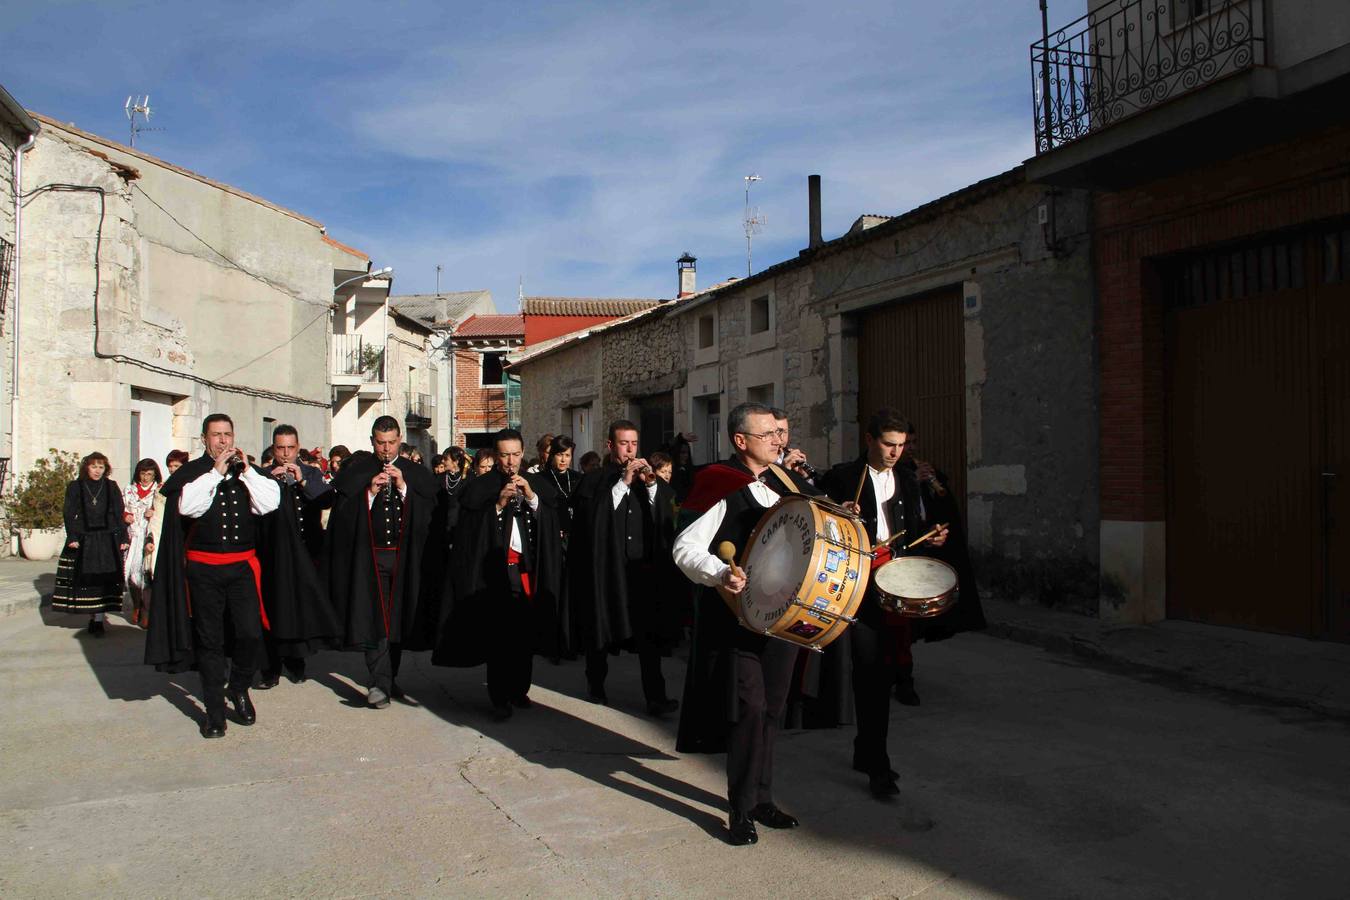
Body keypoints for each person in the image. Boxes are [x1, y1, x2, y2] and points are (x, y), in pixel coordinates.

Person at [672, 402, 815, 845]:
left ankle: (762, 798)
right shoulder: (720, 483)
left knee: (773, 708)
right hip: (736, 620)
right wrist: (720, 573)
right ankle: (740, 808)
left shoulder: (786, 484)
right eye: (768, 433)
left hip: (783, 619)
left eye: (779, 432)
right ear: (741, 441)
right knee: (750, 710)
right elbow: (684, 547)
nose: (779, 439)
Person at [818, 408, 948, 798]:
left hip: (896, 583)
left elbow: (918, 525)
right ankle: (877, 761)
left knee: (883, 670)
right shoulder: (842, 477)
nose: (896, 452)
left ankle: (869, 750)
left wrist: (934, 535)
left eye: (902, 445)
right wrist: (840, 516)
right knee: (867, 669)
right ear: (870, 440)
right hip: (856, 582)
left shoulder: (908, 478)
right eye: (889, 444)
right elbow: (818, 525)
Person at [144, 415, 281, 739]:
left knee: (250, 634)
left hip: (242, 567)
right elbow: (189, 507)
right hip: (204, 569)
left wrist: (246, 471)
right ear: (205, 439)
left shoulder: (247, 472)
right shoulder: (194, 474)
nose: (222, 441)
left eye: (227, 435)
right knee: (210, 641)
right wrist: (216, 472)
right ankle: (215, 713)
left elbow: (269, 503)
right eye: (216, 435)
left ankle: (238, 688)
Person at [433, 428, 563, 719]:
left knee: (525, 633)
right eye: (504, 455)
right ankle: (500, 696)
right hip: (496, 572)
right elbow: (470, 530)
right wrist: (499, 505)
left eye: (516, 454)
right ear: (496, 455)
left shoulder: (535, 483)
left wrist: (531, 497)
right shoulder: (481, 487)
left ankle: (519, 690)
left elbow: (550, 519)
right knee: (500, 635)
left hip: (527, 569)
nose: (510, 462)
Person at [326, 416, 440, 708]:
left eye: (391, 443)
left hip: (404, 559)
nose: (386, 449)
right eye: (380, 443)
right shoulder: (359, 471)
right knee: (375, 619)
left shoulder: (414, 472)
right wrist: (369, 493)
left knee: (397, 621)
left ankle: (388, 678)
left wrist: (403, 489)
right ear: (372, 441)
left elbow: (429, 513)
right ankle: (378, 683)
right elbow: (343, 515)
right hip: (371, 557)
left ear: (400, 440)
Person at [569, 420, 681, 716]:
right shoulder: (596, 480)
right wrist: (624, 483)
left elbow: (666, 511)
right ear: (610, 446)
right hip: (608, 569)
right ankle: (596, 685)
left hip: (641, 569)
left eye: (634, 444)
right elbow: (593, 518)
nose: (630, 450)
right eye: (623, 444)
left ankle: (655, 697)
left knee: (649, 637)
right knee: (601, 630)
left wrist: (653, 485)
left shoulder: (649, 481)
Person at [257, 424, 339, 688]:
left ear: (298, 447)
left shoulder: (312, 474)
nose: (285, 454)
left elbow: (327, 500)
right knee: (273, 608)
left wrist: (301, 479)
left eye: (290, 448)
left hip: (306, 551)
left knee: (301, 608)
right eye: (280, 448)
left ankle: (296, 660)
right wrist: (272, 479)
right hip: (273, 555)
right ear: (273, 448)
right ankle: (270, 665)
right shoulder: (264, 475)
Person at [52, 452, 129, 634]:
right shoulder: (75, 486)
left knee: (105, 581)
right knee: (87, 581)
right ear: (86, 467)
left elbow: (119, 513)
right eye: (94, 466)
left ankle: (99, 619)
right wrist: (71, 536)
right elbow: (69, 512)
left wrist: (123, 537)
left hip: (107, 539)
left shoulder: (111, 487)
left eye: (101, 467)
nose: (97, 471)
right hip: (84, 538)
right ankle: (92, 616)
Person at [122, 458, 162, 628]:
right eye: (143, 474)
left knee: (147, 574)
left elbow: (163, 510)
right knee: (131, 575)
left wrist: (154, 512)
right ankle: (136, 604)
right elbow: (121, 509)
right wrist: (126, 516)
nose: (146, 478)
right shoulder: (129, 490)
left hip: (149, 537)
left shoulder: (158, 490)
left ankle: (147, 610)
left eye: (149, 474)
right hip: (132, 537)